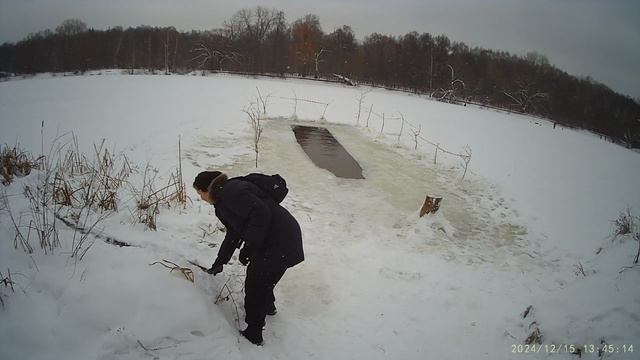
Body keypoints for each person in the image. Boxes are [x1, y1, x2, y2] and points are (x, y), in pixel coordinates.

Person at [193, 171, 304, 345]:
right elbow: (233, 233)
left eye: (199, 193)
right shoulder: (224, 199)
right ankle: (268, 306)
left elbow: (261, 213)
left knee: (255, 284)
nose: (200, 198)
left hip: (278, 240)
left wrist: (249, 247)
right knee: (265, 277)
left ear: (206, 189)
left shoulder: (231, 192)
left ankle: (254, 333)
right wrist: (219, 262)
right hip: (284, 238)